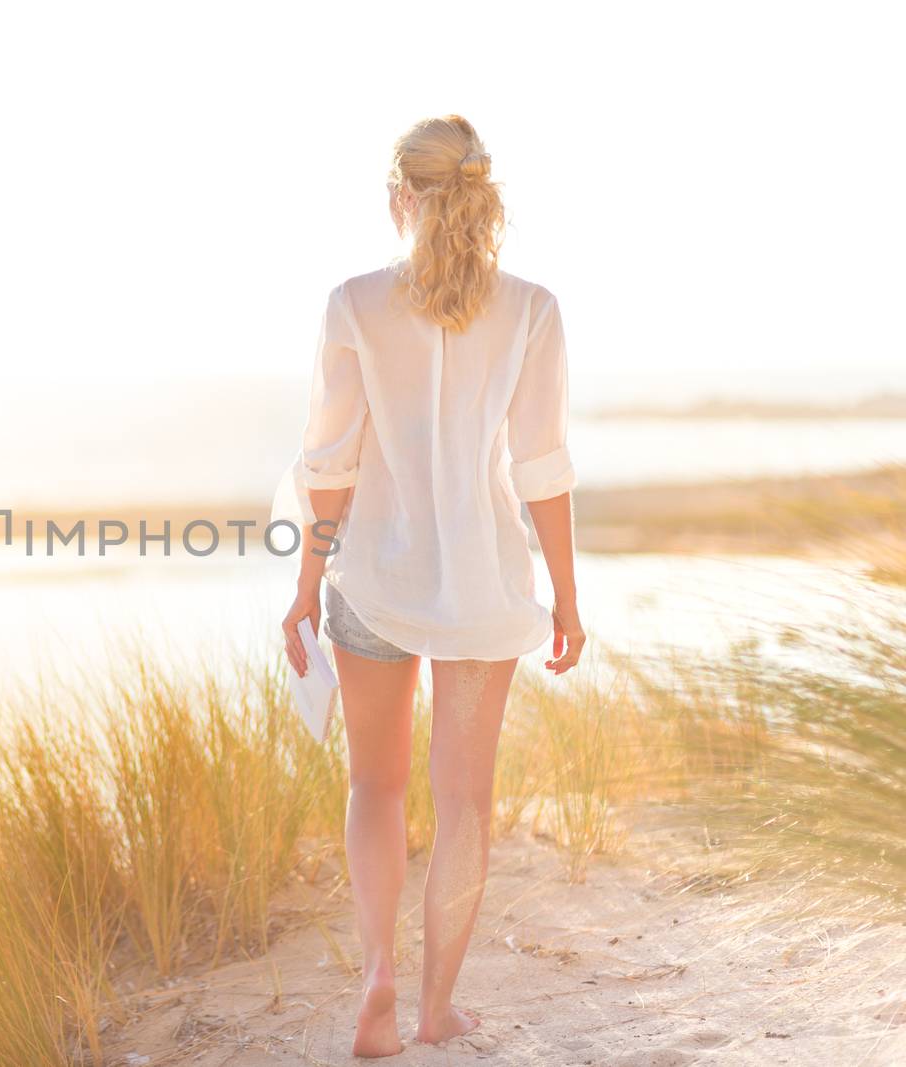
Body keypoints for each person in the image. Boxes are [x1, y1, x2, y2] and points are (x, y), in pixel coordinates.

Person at [280, 114, 585, 1057]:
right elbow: (541, 468)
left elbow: (328, 463)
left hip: (371, 583)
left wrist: (306, 585)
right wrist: (567, 598)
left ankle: (376, 972)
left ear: (399, 198)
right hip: (486, 591)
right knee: (464, 805)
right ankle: (435, 1010)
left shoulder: (355, 305)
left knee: (374, 785)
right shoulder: (531, 308)